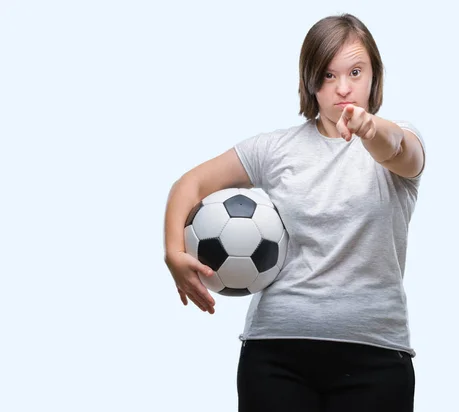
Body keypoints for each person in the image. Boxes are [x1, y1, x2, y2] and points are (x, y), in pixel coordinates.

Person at [163, 13, 426, 412]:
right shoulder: (274, 149)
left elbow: (401, 152)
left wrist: (372, 130)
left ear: (375, 74)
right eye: (327, 75)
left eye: (356, 72)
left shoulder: (398, 141)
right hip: (277, 355)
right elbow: (190, 184)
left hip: (376, 357)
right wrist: (173, 253)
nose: (343, 88)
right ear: (310, 82)